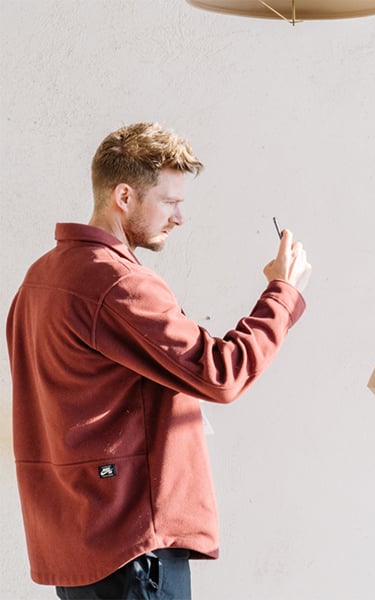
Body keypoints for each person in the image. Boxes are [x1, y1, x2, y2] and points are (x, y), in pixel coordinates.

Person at [6, 122, 311, 599]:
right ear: (123, 196)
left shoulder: (40, 278)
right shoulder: (119, 284)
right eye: (169, 202)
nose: (180, 217)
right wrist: (283, 294)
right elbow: (222, 373)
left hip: (76, 541)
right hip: (131, 548)